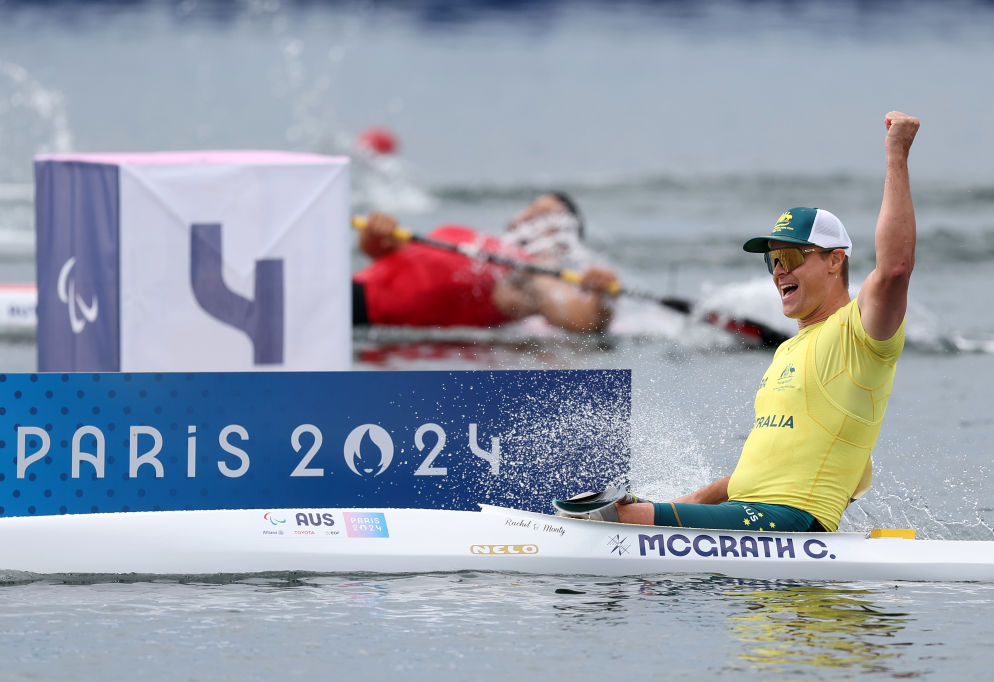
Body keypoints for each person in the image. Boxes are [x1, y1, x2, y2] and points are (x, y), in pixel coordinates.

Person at [593, 111, 920, 533]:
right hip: (754, 516)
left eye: (790, 257)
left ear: (835, 260)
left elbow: (895, 268)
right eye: (773, 261)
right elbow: (768, 465)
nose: (779, 271)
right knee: (620, 508)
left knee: (610, 518)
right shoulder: (787, 349)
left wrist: (897, 154)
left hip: (794, 520)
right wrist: (688, 502)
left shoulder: (859, 334)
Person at [352, 193, 618, 333]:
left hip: (363, 319)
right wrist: (376, 230)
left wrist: (601, 299)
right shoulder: (473, 238)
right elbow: (375, 251)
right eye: (533, 207)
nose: (532, 215)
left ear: (562, 243)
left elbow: (581, 321)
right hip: (347, 289)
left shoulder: (530, 275)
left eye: (547, 216)